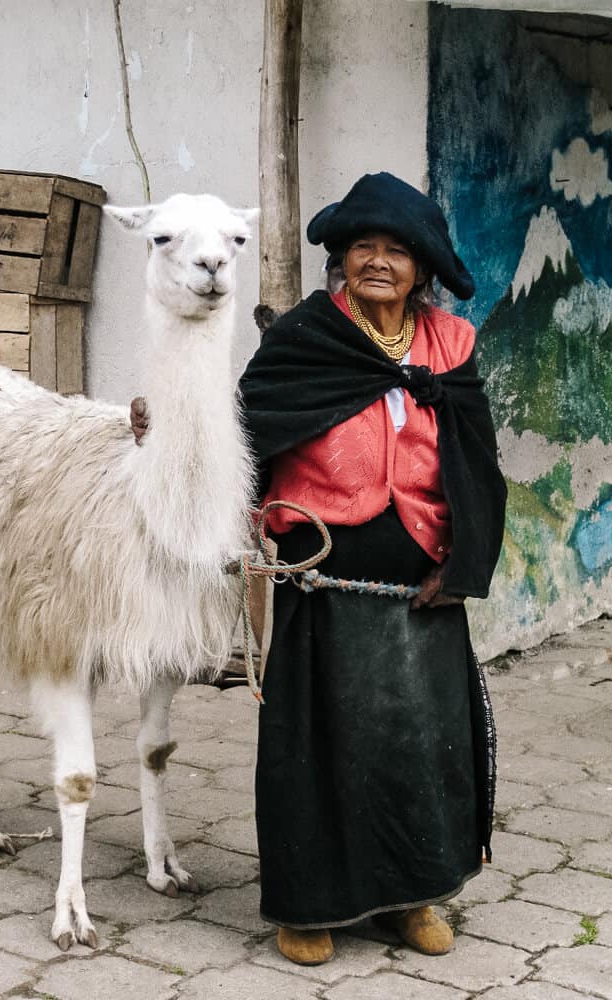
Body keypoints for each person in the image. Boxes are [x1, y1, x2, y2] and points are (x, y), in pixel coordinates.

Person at [132, 171, 506, 967]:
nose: (377, 262)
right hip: (322, 579)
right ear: (340, 261)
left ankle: (411, 897)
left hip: (420, 587)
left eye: (395, 251)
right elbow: (241, 424)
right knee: (320, 745)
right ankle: (309, 907)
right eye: (361, 247)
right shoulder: (307, 338)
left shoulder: (450, 348)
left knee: (416, 743)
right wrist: (169, 425)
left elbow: (477, 462)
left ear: (422, 268)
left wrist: (466, 564)